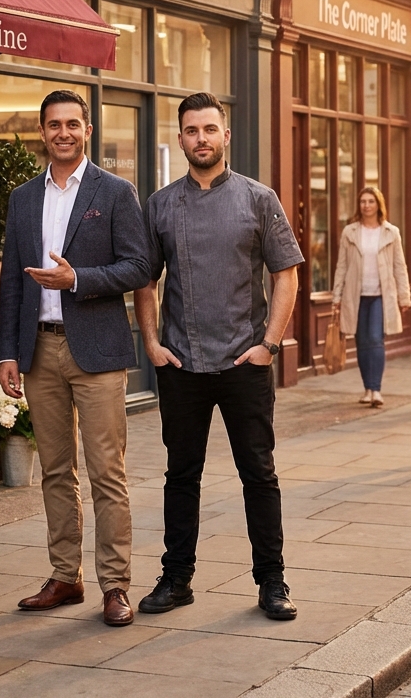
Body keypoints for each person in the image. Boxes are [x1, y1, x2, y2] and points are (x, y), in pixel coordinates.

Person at [133, 92, 303, 620]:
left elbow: (285, 274)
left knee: (260, 475)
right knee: (181, 476)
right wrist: (153, 345)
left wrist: (269, 345)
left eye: (210, 129)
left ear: (225, 136)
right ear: (179, 138)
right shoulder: (160, 205)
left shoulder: (259, 199)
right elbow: (145, 280)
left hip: (243, 364)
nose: (201, 139)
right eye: (191, 131)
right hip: (182, 364)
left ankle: (272, 583)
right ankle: (177, 578)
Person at [0, 89, 151, 627]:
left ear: (87, 129)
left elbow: (140, 267)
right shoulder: (21, 199)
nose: (62, 132)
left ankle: (115, 584)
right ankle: (66, 576)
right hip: (38, 350)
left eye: (72, 124)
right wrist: (7, 354)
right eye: (53, 124)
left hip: (99, 350)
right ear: (41, 132)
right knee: (56, 472)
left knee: (108, 472)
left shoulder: (116, 192)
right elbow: (11, 281)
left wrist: (77, 279)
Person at [331, 186, 411, 409]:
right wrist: (336, 296)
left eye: (371, 201)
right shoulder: (350, 232)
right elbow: (342, 267)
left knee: (375, 339)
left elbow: (399, 266)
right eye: (363, 201)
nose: (366, 205)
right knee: (361, 342)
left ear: (378, 205)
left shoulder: (390, 233)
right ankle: (367, 388)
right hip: (355, 295)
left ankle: (376, 389)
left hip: (380, 295)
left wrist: (404, 298)